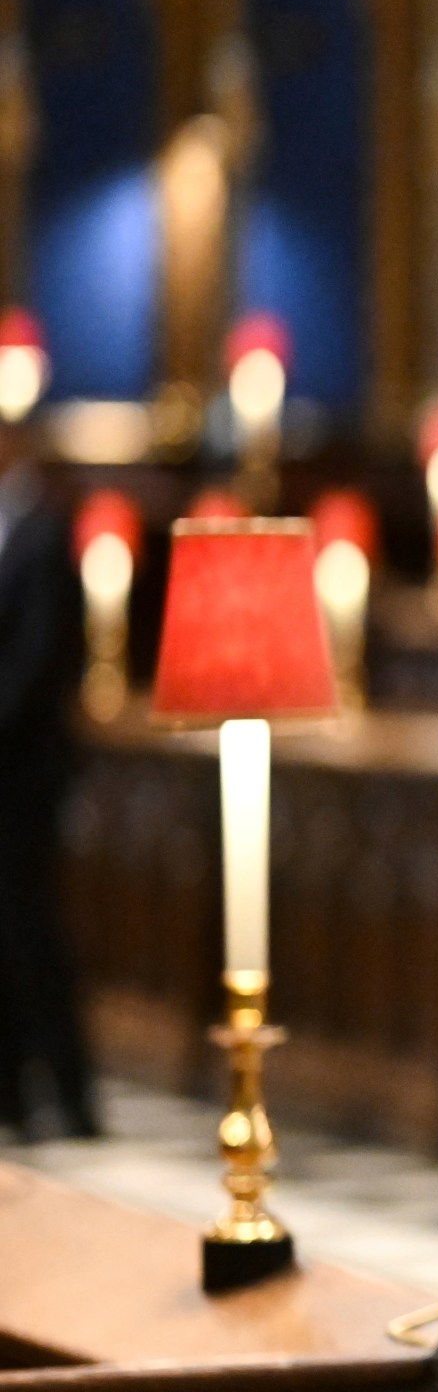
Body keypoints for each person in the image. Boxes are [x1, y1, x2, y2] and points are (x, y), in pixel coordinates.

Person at [0, 413, 98, 1140]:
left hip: (25, 773)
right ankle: (10, 1094)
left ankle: (71, 1094)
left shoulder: (46, 531)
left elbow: (38, 663)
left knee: (32, 931)